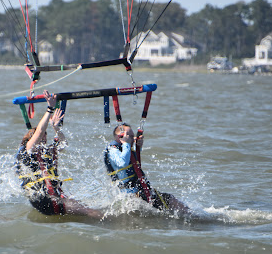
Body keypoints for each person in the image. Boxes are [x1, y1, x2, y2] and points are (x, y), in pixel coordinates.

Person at [16, 90, 102, 218]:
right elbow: (39, 131)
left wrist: (56, 128)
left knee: (86, 211)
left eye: (45, 137)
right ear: (30, 139)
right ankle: (114, 226)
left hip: (51, 198)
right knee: (92, 213)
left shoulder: (46, 151)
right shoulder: (28, 150)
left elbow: (63, 144)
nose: (43, 140)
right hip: (44, 200)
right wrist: (50, 108)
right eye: (40, 138)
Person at [104, 122, 191, 217]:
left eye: (133, 136)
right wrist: (126, 144)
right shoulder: (113, 150)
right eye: (130, 136)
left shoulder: (123, 148)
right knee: (170, 200)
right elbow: (122, 163)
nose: (133, 139)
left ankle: (191, 215)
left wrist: (138, 147)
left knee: (170, 200)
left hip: (140, 192)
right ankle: (194, 217)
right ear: (120, 137)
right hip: (133, 196)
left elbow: (131, 162)